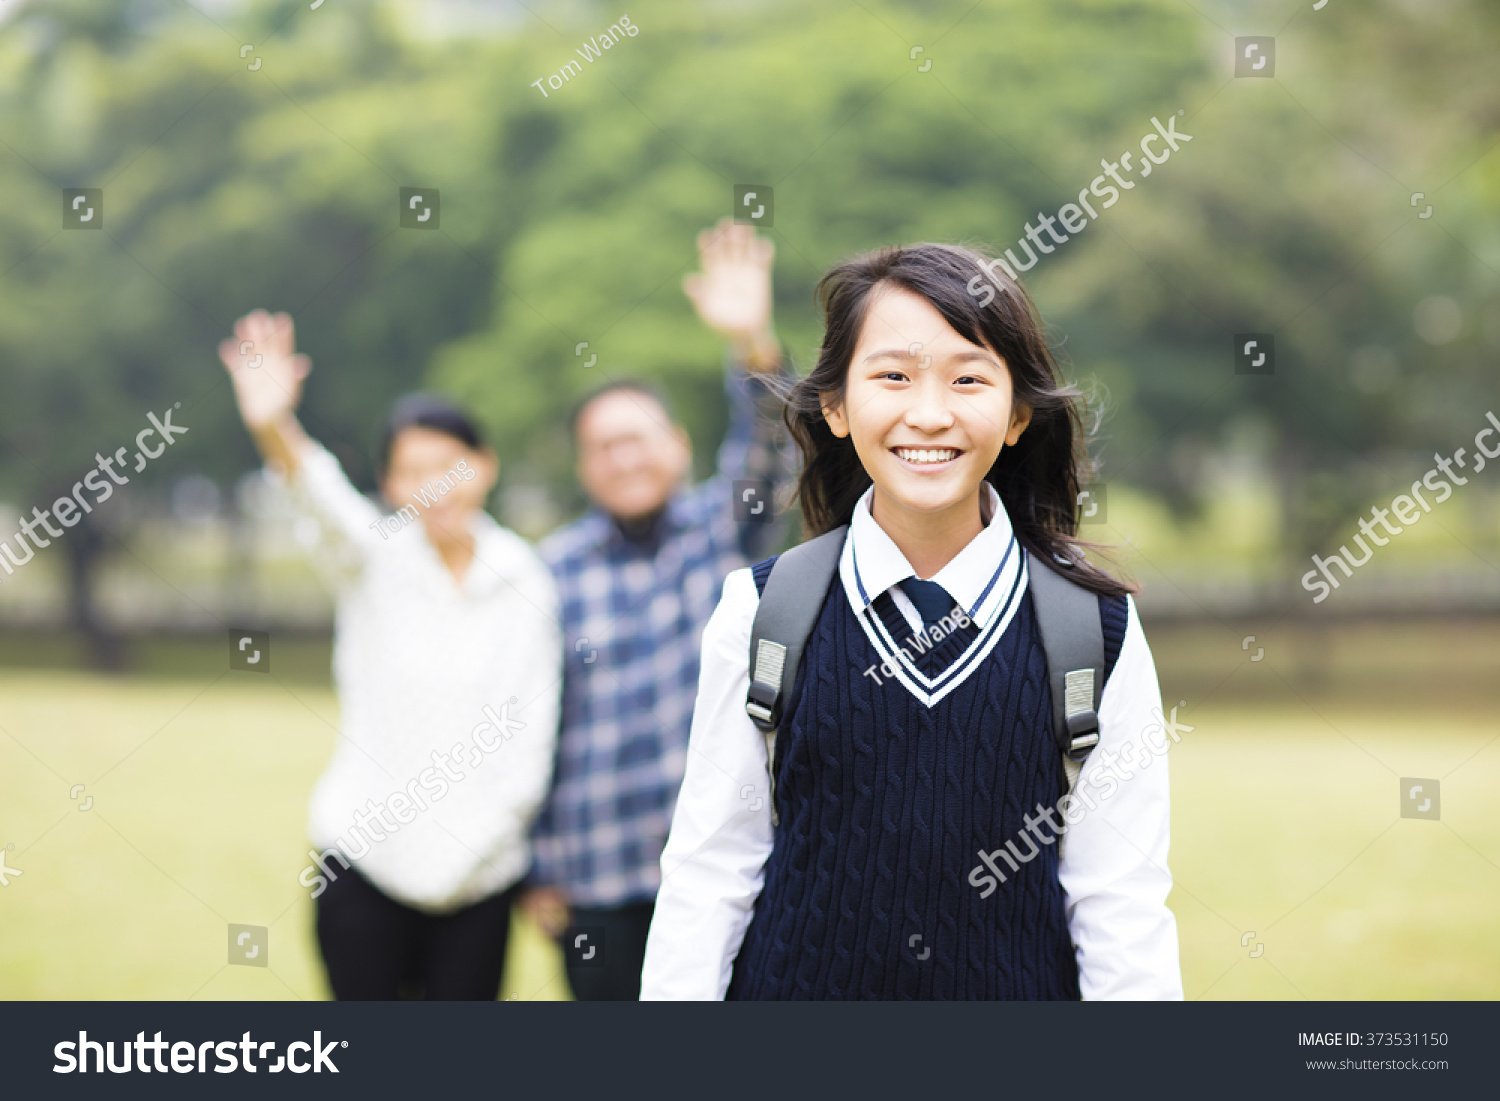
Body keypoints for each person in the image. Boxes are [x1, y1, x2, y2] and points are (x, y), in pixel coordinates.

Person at [639, 243, 1182, 999]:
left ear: (1019, 411)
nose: (929, 414)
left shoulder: (1097, 631)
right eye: (893, 375)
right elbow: (708, 876)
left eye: (968, 378)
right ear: (834, 404)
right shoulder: (763, 613)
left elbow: (1120, 905)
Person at [218, 309, 561, 1000]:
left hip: (483, 876)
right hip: (364, 864)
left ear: (485, 466)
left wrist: (484, 847)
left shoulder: (524, 578)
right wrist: (273, 426)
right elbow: (319, 499)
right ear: (391, 484)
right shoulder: (372, 560)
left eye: (450, 466)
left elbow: (532, 729)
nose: (435, 487)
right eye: (414, 471)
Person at [520, 220, 791, 1000]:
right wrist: (538, 866)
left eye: (637, 439)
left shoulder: (724, 528)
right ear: (584, 467)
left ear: (676, 445)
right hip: (596, 879)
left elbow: (772, 443)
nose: (623, 458)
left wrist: (752, 344)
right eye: (603, 447)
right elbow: (532, 721)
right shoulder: (554, 570)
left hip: (726, 870)